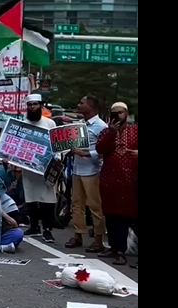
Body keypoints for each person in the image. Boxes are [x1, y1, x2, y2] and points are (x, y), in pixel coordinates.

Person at [96, 101, 138, 266]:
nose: (118, 116)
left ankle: (121, 251)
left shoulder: (135, 130)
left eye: (120, 113)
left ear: (126, 114)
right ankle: (113, 247)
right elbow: (100, 149)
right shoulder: (106, 132)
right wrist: (111, 133)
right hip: (108, 180)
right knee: (110, 214)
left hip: (129, 180)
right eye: (114, 113)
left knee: (123, 216)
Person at [65, 95, 108, 252]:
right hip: (77, 170)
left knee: (95, 207)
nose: (78, 104)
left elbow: (104, 150)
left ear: (90, 106)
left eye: (81, 103)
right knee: (76, 205)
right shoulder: (80, 125)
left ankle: (98, 239)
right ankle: (78, 234)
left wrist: (86, 153)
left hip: (92, 171)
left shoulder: (101, 126)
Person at [18, 94, 59, 243]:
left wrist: (57, 160)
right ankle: (34, 226)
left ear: (41, 105)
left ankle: (47, 229)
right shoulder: (20, 124)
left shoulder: (50, 124)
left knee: (47, 198)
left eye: (35, 104)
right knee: (31, 197)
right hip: (28, 168)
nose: (32, 107)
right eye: (30, 105)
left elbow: (57, 144)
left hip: (46, 168)